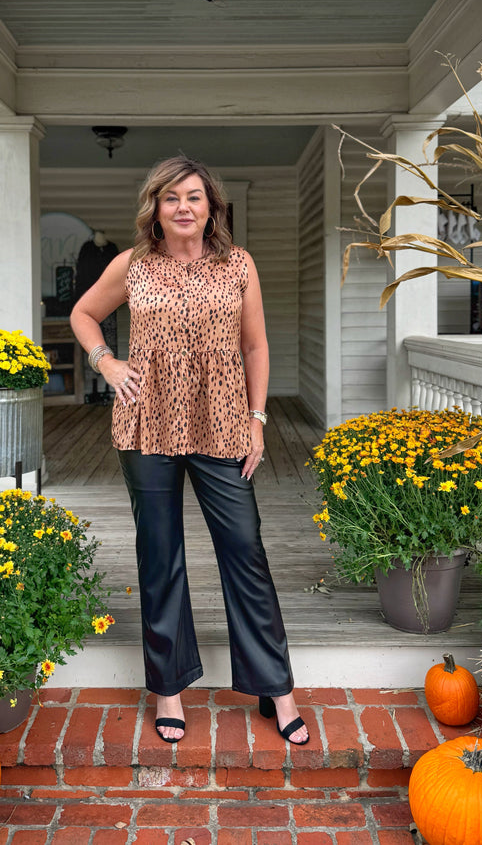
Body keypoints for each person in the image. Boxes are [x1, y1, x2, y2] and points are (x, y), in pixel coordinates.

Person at [70, 156, 308, 746]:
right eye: (171, 196)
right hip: (147, 424)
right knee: (160, 555)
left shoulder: (238, 265)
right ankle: (169, 687)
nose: (183, 206)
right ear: (155, 206)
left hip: (223, 421)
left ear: (212, 208)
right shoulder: (133, 265)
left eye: (195, 197)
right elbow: (84, 313)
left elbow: (255, 347)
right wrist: (107, 362)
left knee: (245, 550)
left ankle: (276, 688)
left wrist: (257, 420)